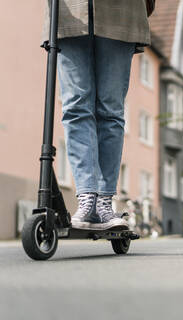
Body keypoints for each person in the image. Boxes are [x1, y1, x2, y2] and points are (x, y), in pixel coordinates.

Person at [42, 0, 151, 229]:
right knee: (75, 107)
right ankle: (87, 198)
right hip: (68, 12)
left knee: (110, 110)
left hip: (120, 12)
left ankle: (103, 200)